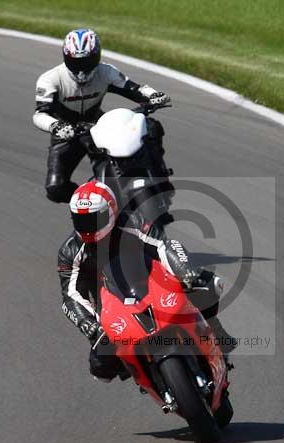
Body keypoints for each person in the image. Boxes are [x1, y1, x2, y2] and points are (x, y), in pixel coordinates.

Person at [58, 181, 235, 381]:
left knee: (206, 285)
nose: (87, 228)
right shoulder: (70, 251)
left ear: (110, 211)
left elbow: (164, 245)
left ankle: (215, 333)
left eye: (93, 220)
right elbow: (70, 295)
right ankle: (144, 375)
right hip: (110, 306)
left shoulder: (131, 222)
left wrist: (186, 272)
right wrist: (87, 323)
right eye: (81, 221)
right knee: (101, 368)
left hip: (151, 280)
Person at [34, 28, 171, 203]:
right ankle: (87, 207)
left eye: (87, 62)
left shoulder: (106, 72)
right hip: (66, 134)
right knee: (55, 188)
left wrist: (154, 95)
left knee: (149, 127)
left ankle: (159, 179)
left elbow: (135, 89)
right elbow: (39, 114)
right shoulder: (50, 79)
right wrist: (56, 126)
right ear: (65, 57)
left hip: (98, 127)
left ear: (97, 56)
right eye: (75, 63)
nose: (81, 71)